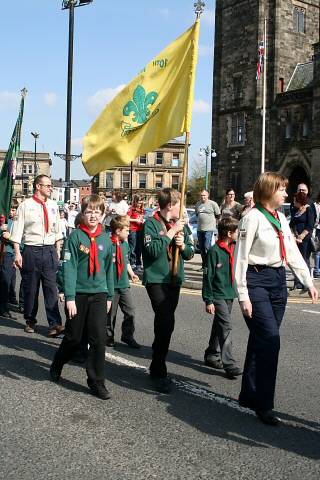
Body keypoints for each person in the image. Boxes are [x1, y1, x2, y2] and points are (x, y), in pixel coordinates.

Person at [235, 172, 318, 425]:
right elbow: (240, 259)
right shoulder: (251, 218)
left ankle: (249, 393)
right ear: (269, 191)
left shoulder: (281, 217)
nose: (286, 194)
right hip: (257, 280)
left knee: (260, 338)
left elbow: (292, 253)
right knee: (271, 341)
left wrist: (308, 281)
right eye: (282, 189)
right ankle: (265, 404)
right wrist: (243, 295)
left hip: (278, 283)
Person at [50, 195, 114, 400]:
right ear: (82, 214)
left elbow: (109, 270)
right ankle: (58, 362)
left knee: (99, 339)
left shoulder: (106, 239)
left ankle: (96, 381)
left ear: (103, 214)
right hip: (78, 293)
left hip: (99, 293)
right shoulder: (75, 237)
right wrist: (69, 296)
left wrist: (110, 295)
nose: (93, 215)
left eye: (97, 212)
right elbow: (69, 268)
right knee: (74, 337)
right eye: (89, 211)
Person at [142, 188, 194, 393]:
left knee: (165, 323)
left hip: (174, 279)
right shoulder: (152, 224)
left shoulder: (181, 224)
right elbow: (153, 251)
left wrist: (182, 245)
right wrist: (171, 233)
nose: (182, 208)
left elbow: (191, 252)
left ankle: (156, 362)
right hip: (156, 279)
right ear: (170, 205)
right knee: (165, 320)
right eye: (180, 203)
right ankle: (159, 370)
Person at [11, 175, 64, 336]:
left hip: (49, 250)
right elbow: (17, 230)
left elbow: (57, 231)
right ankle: (30, 320)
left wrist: (58, 249)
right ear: (38, 186)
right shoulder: (25, 205)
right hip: (31, 250)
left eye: (51, 185)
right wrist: (17, 253)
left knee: (51, 289)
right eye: (47, 185)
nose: (50, 188)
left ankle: (55, 324)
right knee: (31, 289)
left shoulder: (53, 205)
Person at [202, 217, 242, 378]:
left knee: (219, 325)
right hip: (218, 295)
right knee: (226, 327)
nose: (239, 233)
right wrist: (208, 300)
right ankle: (229, 364)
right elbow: (208, 277)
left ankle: (212, 354)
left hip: (229, 293)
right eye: (236, 231)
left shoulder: (235, 247)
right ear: (229, 233)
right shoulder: (214, 251)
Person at [106, 215, 140, 348]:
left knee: (130, 310)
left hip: (124, 284)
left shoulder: (125, 244)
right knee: (111, 314)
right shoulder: (108, 244)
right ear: (118, 231)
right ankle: (108, 336)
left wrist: (132, 274)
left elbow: (125, 262)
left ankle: (128, 335)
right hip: (112, 285)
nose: (129, 232)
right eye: (127, 230)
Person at [289, 191, 314, 290]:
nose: (293, 202)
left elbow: (310, 226)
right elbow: (291, 224)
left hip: (305, 240)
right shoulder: (295, 210)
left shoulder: (309, 209)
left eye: (295, 200)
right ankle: (297, 282)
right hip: (296, 239)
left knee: (304, 260)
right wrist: (294, 235)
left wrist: (301, 237)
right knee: (296, 260)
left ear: (300, 201)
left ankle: (306, 283)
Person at [0, 202, 19, 319]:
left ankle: (5, 305)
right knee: (4, 281)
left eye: (14, 210)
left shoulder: (17, 224)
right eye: (10, 210)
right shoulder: (3, 222)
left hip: (10, 254)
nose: (11, 212)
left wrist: (10, 238)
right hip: (3, 253)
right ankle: (3, 306)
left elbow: (19, 241)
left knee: (8, 281)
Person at [195, 189, 220, 270]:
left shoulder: (213, 204)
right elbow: (197, 215)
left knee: (207, 247)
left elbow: (218, 215)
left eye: (204, 195)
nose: (203, 197)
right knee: (201, 248)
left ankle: (209, 265)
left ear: (208, 195)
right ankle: (204, 265)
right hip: (199, 229)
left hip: (209, 229)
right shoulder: (197, 204)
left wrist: (214, 225)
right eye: (201, 195)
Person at [128, 195, 145, 270]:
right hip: (133, 229)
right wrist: (135, 220)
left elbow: (143, 217)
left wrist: (143, 221)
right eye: (138, 202)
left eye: (141, 202)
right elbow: (127, 218)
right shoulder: (131, 209)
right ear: (135, 202)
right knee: (133, 246)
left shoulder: (142, 210)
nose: (140, 204)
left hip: (140, 229)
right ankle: (132, 262)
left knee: (139, 247)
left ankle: (138, 263)